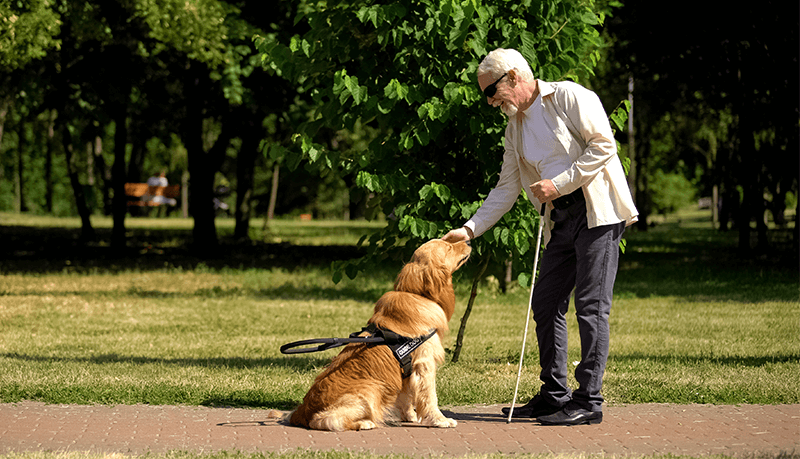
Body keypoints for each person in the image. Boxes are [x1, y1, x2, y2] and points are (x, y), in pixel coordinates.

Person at [442, 48, 638, 426]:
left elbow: (604, 146)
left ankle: (589, 400)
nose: (490, 101)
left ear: (514, 77)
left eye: (491, 91)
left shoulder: (568, 96)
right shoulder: (513, 128)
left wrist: (559, 183)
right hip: (559, 219)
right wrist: (468, 229)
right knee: (546, 302)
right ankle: (554, 394)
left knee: (591, 307)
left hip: (597, 212)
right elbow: (506, 188)